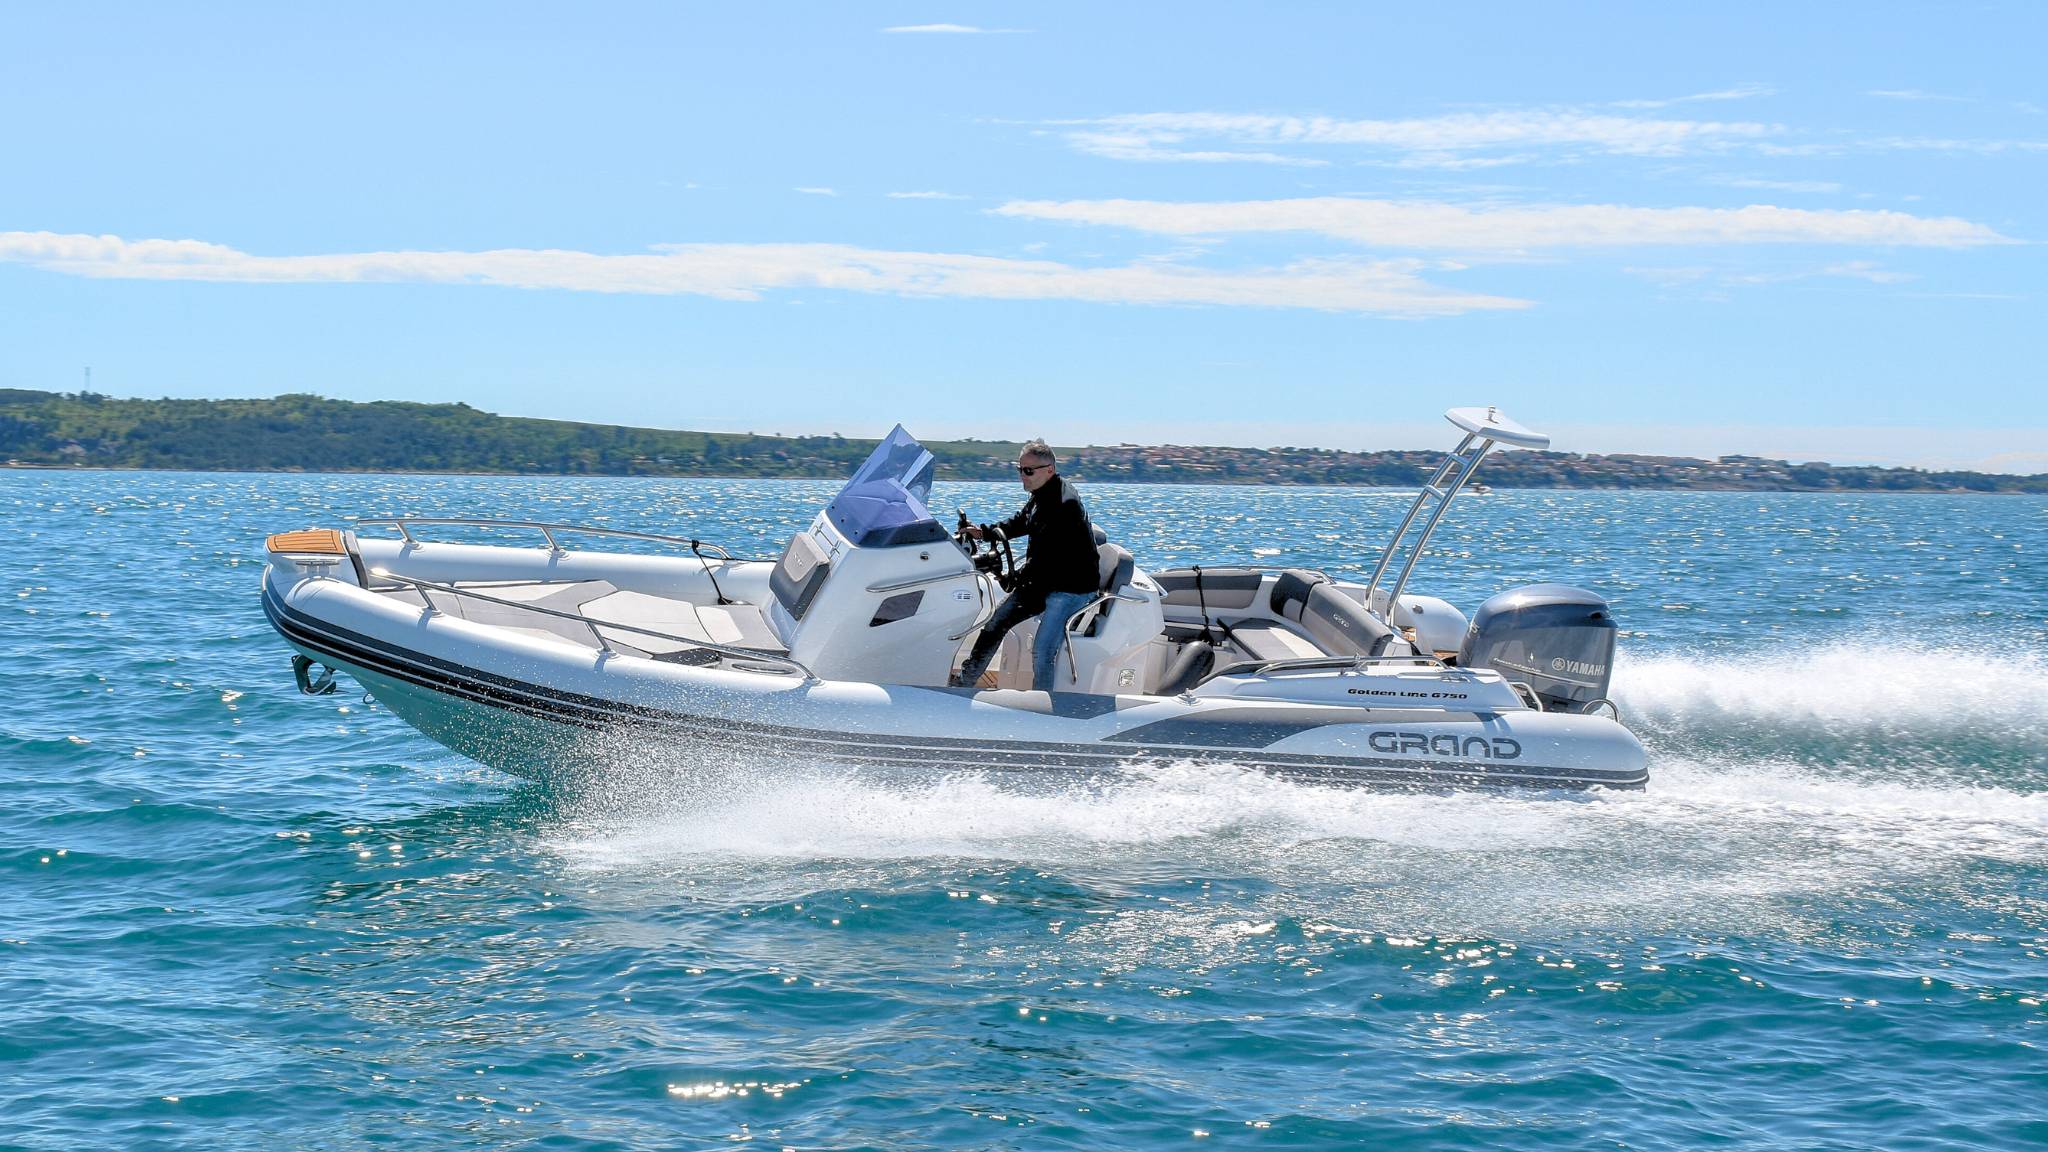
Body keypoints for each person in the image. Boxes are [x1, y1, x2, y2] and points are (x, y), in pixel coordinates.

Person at [951, 439, 1100, 692]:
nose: (1023, 476)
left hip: (1071, 587)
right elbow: (1021, 522)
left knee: (1042, 649)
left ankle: (1042, 704)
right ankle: (964, 684)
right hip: (1047, 579)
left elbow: (1048, 561)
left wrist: (1015, 577)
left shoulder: (1064, 505)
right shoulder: (1042, 495)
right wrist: (983, 533)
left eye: (1028, 471)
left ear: (1049, 469)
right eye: (1019, 469)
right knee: (996, 622)